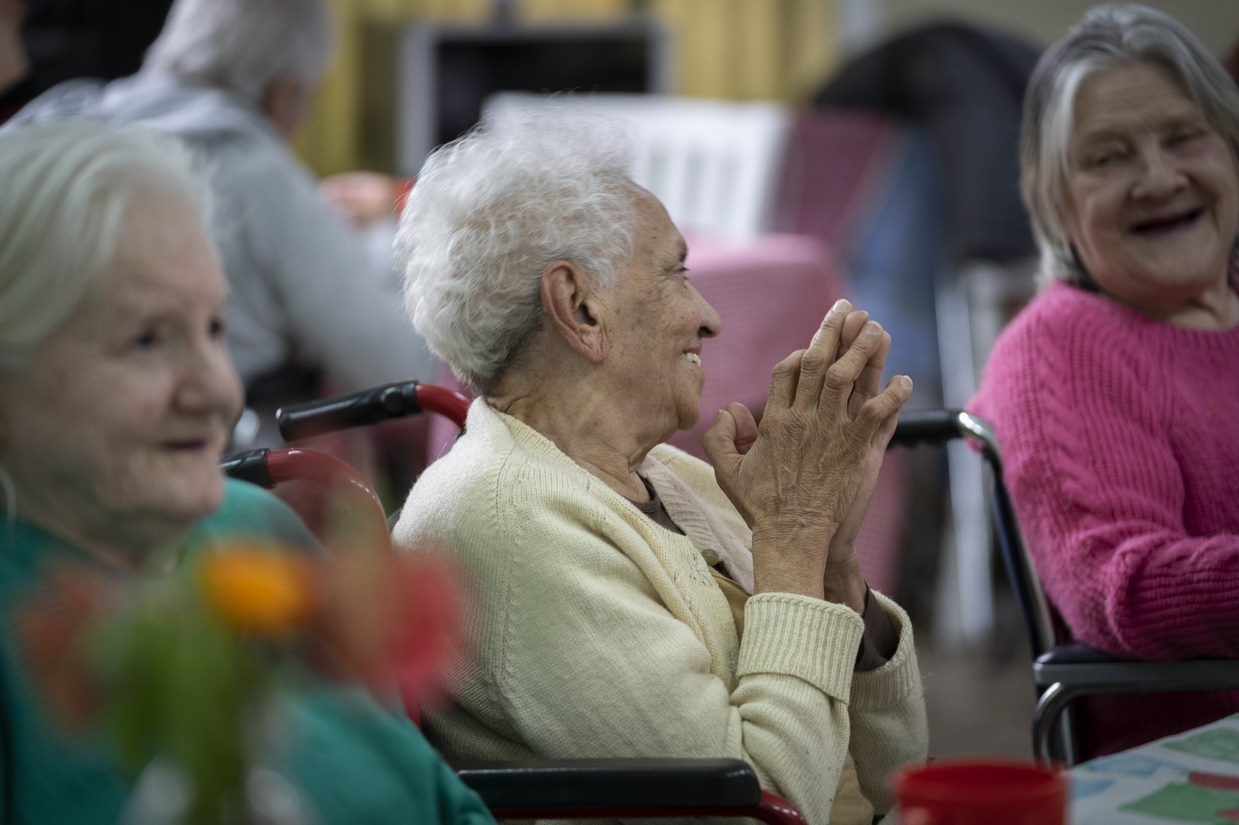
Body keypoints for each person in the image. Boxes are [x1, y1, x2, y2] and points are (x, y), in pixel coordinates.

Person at [391, 110, 928, 825]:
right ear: (580, 308)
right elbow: (761, 805)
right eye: (676, 273)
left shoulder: (668, 475)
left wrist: (829, 563)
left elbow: (897, 774)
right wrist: (792, 536)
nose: (709, 317)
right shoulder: (505, 522)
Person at [0, 120, 493, 825]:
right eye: (147, 339)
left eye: (214, 329)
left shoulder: (250, 527)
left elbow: (439, 803)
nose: (218, 390)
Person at [970, 3, 1239, 758]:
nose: (1158, 178)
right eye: (1107, 158)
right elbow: (1118, 585)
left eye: (1183, 137)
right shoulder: (1058, 348)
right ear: (1055, 200)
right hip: (1196, 761)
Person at [8, 0, 437, 400]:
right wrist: (385, 240)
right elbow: (398, 369)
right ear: (284, 94)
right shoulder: (256, 171)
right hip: (209, 439)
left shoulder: (47, 119)